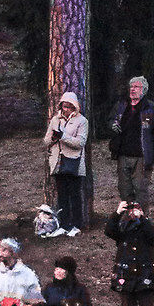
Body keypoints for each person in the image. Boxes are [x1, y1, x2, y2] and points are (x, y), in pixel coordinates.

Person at [106, 76, 154, 207]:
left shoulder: (151, 108)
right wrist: (112, 124)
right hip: (122, 155)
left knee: (140, 191)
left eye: (136, 87)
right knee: (124, 190)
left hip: (142, 157)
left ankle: (142, 221)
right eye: (131, 87)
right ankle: (128, 220)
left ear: (143, 90)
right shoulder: (121, 105)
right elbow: (110, 120)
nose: (132, 89)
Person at [105, 202, 154, 306]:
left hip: (146, 276)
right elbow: (109, 231)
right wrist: (117, 213)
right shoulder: (122, 230)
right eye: (130, 210)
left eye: (135, 209)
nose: (132, 213)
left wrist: (142, 218)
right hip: (125, 276)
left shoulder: (147, 227)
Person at [43, 92, 90, 233]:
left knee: (74, 194)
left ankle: (77, 225)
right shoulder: (55, 120)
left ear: (75, 107)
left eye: (69, 107)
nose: (66, 109)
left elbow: (80, 142)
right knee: (62, 195)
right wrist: (54, 137)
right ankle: (64, 225)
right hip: (58, 162)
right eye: (64, 106)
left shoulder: (82, 121)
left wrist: (63, 136)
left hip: (74, 163)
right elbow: (46, 141)